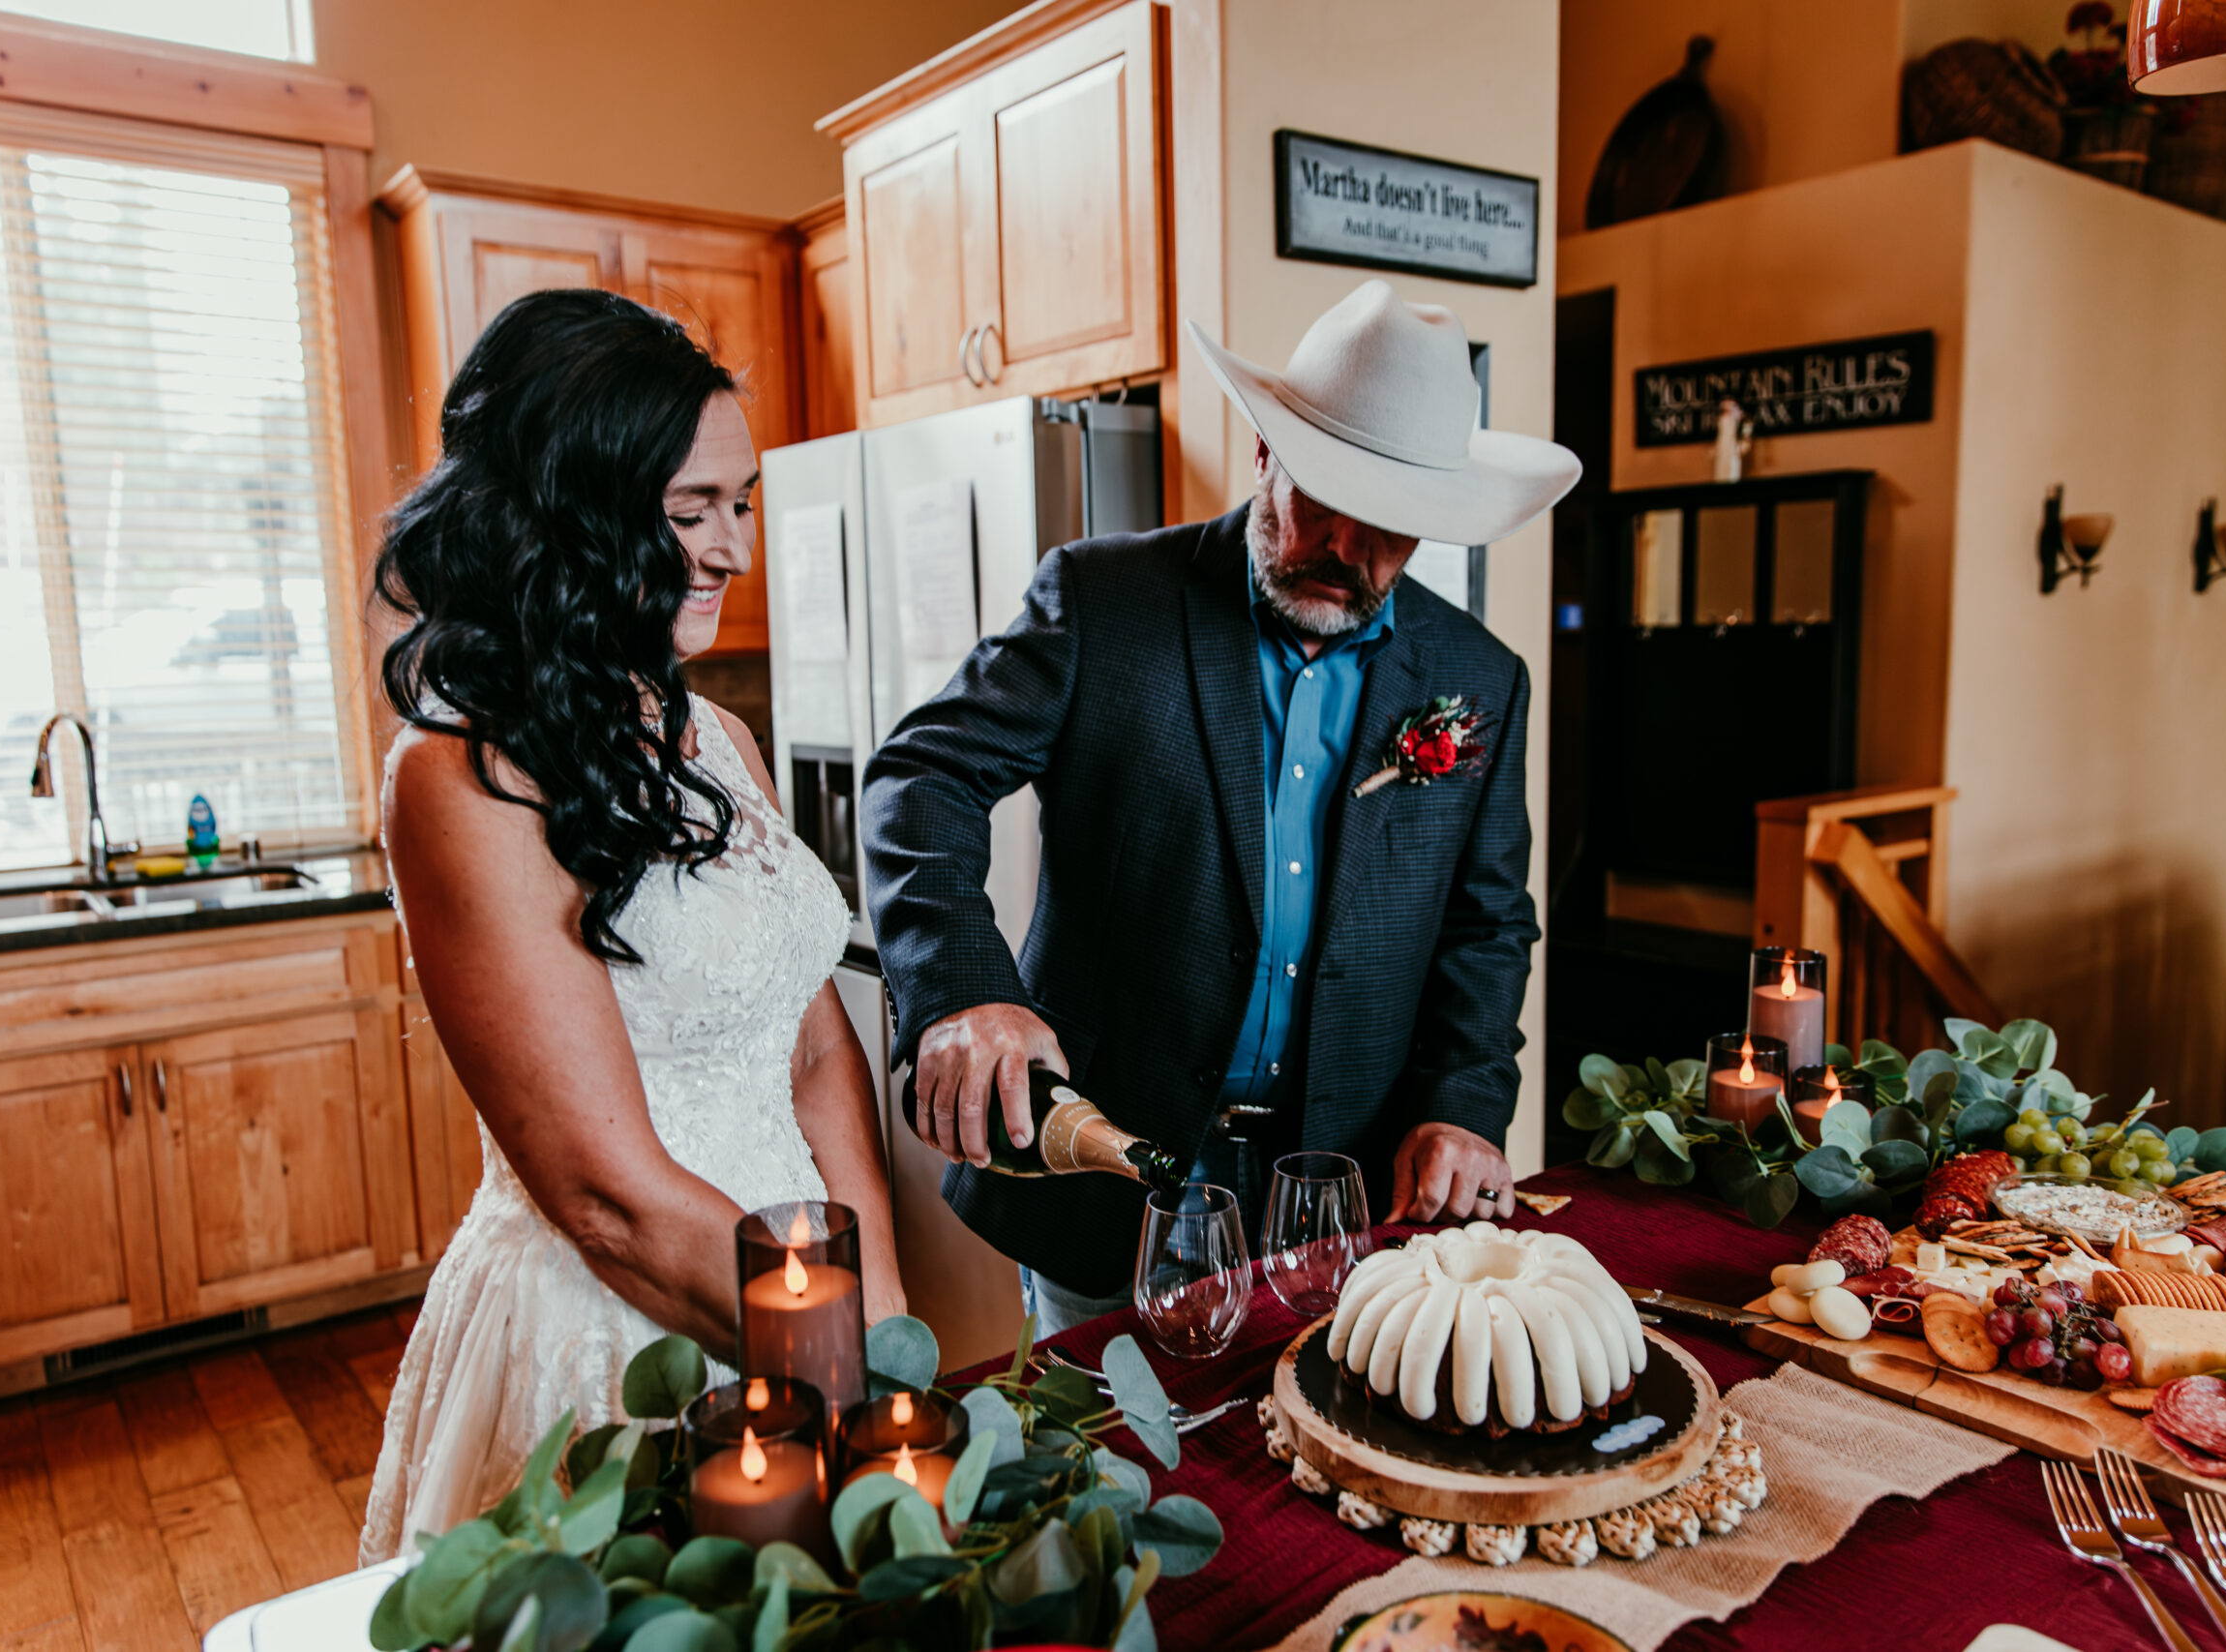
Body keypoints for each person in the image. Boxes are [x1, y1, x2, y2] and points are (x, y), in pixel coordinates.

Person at [862, 279, 1580, 1334]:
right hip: (1106, 1179)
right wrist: (964, 989)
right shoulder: (1103, 601)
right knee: (1109, 1481)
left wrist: (1461, 1109)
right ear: (1262, 454)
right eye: (1321, 495)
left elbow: (1487, 925)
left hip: (1345, 1196)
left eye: (1391, 527)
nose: (1347, 546)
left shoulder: (1479, 676)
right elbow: (922, 776)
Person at [357, 289, 901, 1561]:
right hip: (615, 1333)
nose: (733, 551)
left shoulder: (723, 740)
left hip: (809, 1296)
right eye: (689, 512)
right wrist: (843, 1359)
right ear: (568, 519)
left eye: (743, 503)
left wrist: (882, 1301)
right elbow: (606, 1195)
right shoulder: (459, 780)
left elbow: (815, 1048)